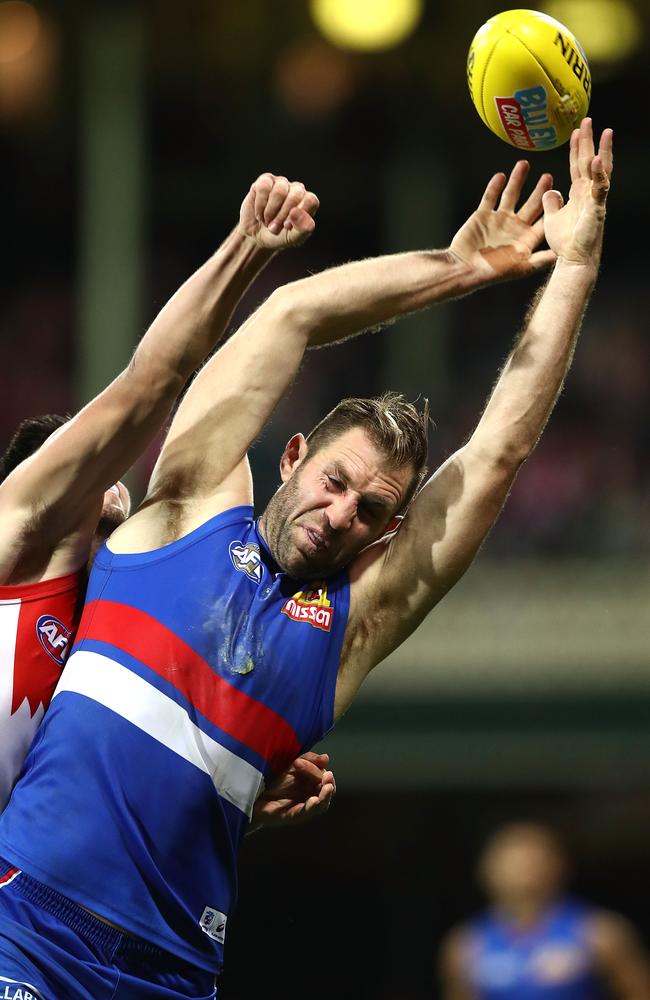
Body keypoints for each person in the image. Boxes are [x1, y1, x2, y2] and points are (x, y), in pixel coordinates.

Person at [0, 119, 611, 999]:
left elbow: (496, 457)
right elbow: (293, 313)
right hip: (29, 927)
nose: (338, 514)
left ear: (388, 534)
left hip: (172, 975)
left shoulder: (349, 633)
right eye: (332, 481)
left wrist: (576, 271)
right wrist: (466, 267)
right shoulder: (188, 507)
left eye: (370, 510)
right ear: (290, 456)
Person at [0, 173, 334, 821]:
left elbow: (95, 806)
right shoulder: (19, 530)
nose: (117, 481)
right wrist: (246, 247)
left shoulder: (90, 651)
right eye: (95, 474)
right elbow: (150, 381)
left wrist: (236, 790)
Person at [438, 822, 650, 999]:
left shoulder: (598, 931)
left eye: (533, 860)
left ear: (559, 865)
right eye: (512, 862)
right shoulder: (466, 943)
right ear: (487, 870)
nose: (524, 870)